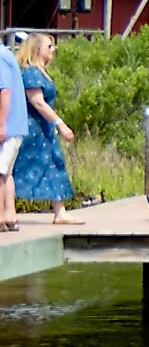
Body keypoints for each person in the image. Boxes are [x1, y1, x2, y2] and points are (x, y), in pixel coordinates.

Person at [15, 35, 79, 223]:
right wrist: (60, 124)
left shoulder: (41, 72)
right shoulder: (31, 73)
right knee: (16, 168)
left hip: (44, 129)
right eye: (49, 46)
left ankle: (60, 212)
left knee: (54, 164)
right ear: (37, 49)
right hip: (33, 129)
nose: (54, 49)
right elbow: (38, 103)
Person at [0, 32, 17, 233]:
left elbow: (5, 90)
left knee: (1, 172)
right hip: (13, 126)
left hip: (9, 126)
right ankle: (9, 216)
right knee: (7, 173)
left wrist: (2, 124)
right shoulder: (6, 53)